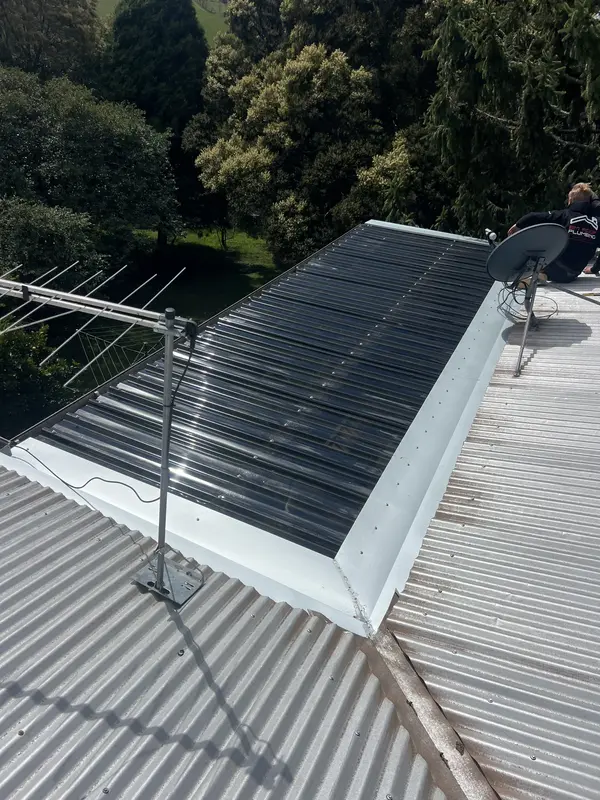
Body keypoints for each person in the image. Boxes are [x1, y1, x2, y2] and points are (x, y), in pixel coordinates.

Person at [508, 182, 600, 283]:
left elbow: (532, 216)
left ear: (570, 200)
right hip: (573, 274)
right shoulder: (597, 223)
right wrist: (594, 269)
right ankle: (543, 274)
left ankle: (537, 274)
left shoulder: (564, 215)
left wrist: (516, 226)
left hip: (556, 270)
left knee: (539, 237)